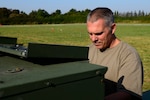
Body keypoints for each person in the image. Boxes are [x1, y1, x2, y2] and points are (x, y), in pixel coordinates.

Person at [87, 7, 143, 100]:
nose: (94, 39)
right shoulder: (88, 50)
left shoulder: (128, 55)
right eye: (90, 34)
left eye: (99, 33)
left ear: (113, 28)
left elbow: (128, 94)